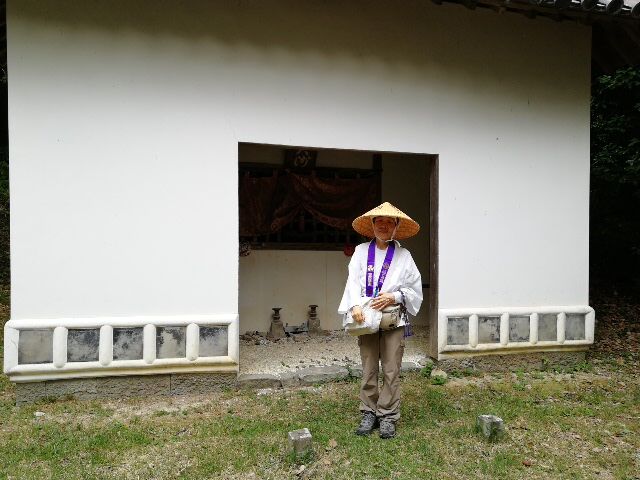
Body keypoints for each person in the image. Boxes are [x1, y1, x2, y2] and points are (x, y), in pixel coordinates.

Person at [338, 201, 423, 439]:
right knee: (368, 367)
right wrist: (354, 305)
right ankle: (369, 411)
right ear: (372, 225)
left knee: (391, 368)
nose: (384, 226)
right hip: (366, 317)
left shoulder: (404, 256)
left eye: (389, 222)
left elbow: (414, 288)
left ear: (396, 227)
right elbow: (352, 281)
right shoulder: (361, 251)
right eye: (379, 221)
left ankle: (388, 414)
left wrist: (393, 296)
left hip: (393, 319)